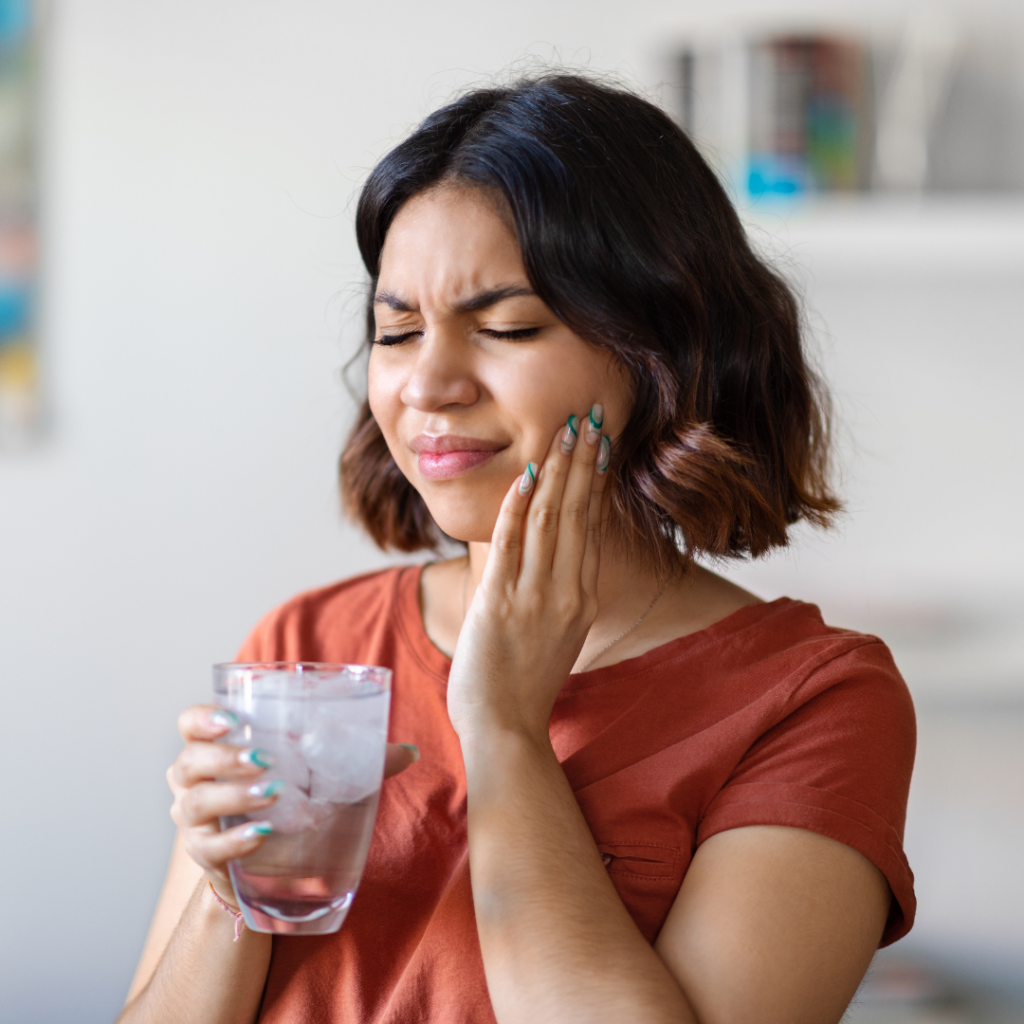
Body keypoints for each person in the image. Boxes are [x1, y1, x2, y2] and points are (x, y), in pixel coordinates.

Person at [119, 73, 916, 1024]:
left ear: (661, 352)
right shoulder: (305, 643)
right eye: (397, 331)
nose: (429, 384)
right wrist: (234, 895)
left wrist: (501, 728)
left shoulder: (814, 700)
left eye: (506, 326)